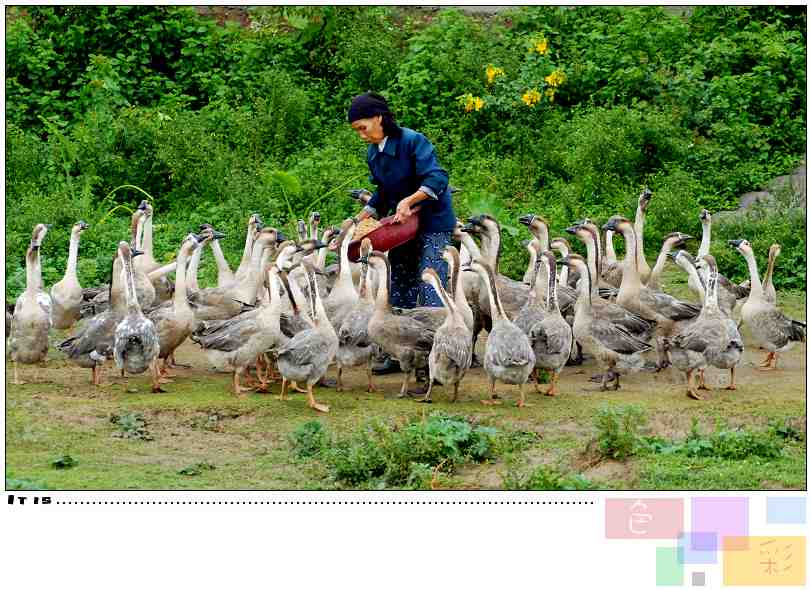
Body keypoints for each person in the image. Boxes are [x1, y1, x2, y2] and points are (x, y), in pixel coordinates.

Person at [348, 92, 457, 375]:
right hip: (401, 227)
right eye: (356, 131)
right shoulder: (374, 153)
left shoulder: (412, 141)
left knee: (431, 284)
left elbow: (437, 178)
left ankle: (437, 358)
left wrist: (409, 201)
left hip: (433, 221)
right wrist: (357, 220)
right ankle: (399, 354)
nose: (361, 135)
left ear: (379, 118)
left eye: (363, 127)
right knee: (400, 285)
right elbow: (383, 193)